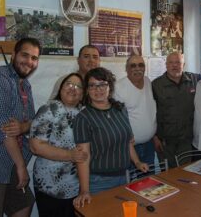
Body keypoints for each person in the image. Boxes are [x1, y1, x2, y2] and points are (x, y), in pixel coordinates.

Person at [0, 38, 41, 217]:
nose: (29, 62)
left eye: (34, 58)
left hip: (10, 161)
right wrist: (21, 166)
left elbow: (31, 122)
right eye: (25, 55)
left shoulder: (24, 85)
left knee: (24, 204)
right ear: (14, 55)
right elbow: (6, 130)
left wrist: (23, 126)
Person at [73, 67, 148, 208]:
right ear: (87, 90)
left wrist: (137, 162)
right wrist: (84, 190)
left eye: (102, 84)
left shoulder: (120, 110)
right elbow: (83, 157)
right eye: (92, 86)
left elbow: (127, 141)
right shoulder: (83, 118)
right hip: (99, 182)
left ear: (110, 87)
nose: (98, 89)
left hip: (125, 177)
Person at [28, 73, 87, 217]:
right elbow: (35, 146)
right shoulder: (49, 109)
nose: (73, 88)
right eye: (69, 84)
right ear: (60, 88)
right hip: (51, 186)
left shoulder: (83, 112)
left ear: (82, 94)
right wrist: (70, 155)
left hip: (75, 186)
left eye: (78, 86)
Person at [152, 52, 201, 168]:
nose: (174, 66)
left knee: (186, 173)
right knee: (168, 175)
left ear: (183, 64)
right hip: (165, 141)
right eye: (171, 62)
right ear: (166, 65)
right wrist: (154, 137)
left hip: (187, 140)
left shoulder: (193, 80)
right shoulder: (156, 85)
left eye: (178, 62)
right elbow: (150, 113)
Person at [114, 55, 157, 166]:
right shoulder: (118, 88)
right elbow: (116, 119)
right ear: (126, 69)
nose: (137, 68)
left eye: (141, 65)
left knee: (149, 180)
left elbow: (150, 111)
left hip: (149, 145)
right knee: (132, 181)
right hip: (130, 148)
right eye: (133, 66)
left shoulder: (148, 82)